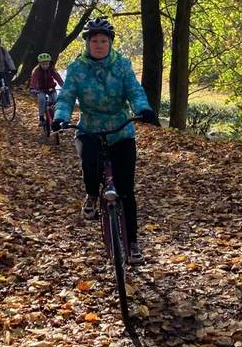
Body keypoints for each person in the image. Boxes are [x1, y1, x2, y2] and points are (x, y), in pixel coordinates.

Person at [51, 18, 159, 264]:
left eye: (103, 41)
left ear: (110, 43)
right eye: (94, 41)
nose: (99, 45)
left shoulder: (121, 65)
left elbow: (134, 91)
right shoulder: (77, 68)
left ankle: (132, 244)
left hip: (120, 131)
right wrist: (60, 117)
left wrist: (143, 109)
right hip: (89, 128)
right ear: (87, 43)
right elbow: (66, 97)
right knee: (89, 162)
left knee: (126, 190)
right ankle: (91, 194)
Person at [29, 52, 64, 127]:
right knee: (41, 100)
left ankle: (57, 118)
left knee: (55, 99)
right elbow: (34, 80)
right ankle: (41, 118)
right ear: (40, 64)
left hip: (51, 88)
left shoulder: (51, 68)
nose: (45, 66)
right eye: (43, 64)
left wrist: (63, 86)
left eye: (47, 64)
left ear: (49, 63)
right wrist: (32, 88)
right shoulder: (37, 70)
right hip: (40, 89)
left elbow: (57, 77)